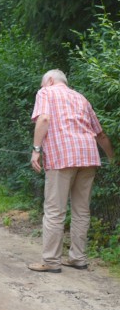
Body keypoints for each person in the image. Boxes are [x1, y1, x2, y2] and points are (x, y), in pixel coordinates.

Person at [29, 69, 114, 273]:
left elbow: (44, 120)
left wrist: (36, 150)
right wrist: (112, 158)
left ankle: (51, 261)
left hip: (62, 157)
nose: (42, 88)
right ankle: (78, 258)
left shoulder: (46, 93)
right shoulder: (81, 98)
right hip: (88, 157)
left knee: (55, 210)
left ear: (49, 81)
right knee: (81, 210)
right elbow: (100, 134)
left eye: (43, 84)